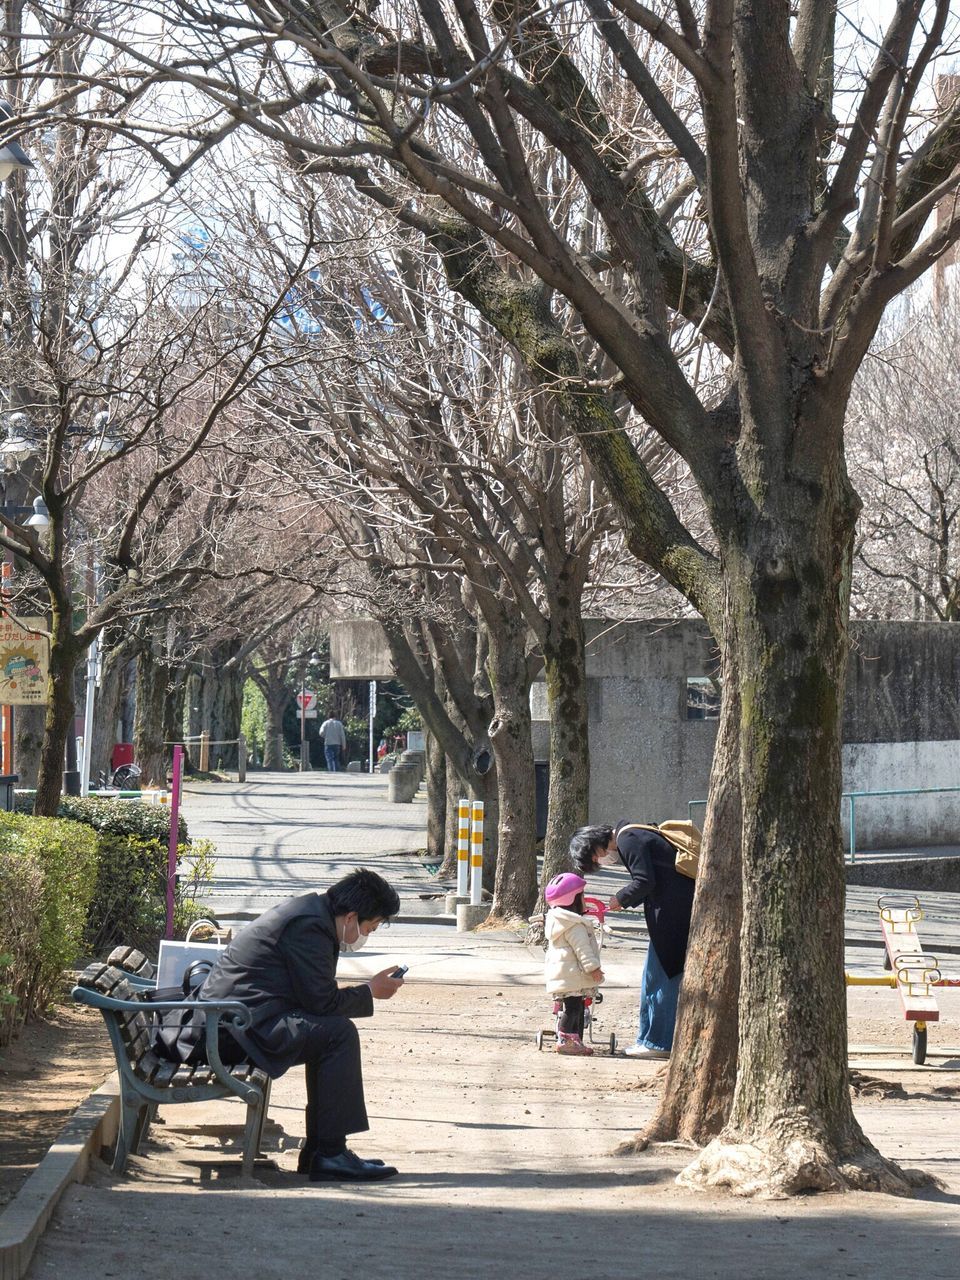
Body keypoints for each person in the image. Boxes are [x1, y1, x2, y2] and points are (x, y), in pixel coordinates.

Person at [199, 868, 405, 1181]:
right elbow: (320, 1002)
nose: (368, 935)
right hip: (232, 1031)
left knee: (328, 1033)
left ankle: (323, 1151)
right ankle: (330, 1153)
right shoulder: (309, 926)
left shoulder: (313, 915)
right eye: (371, 927)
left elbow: (315, 998)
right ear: (351, 917)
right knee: (338, 1035)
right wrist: (370, 992)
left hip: (235, 1020)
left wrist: (365, 992)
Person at [569, 822, 694, 1060]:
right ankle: (648, 1039)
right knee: (652, 977)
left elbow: (644, 881)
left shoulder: (628, 839)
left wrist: (621, 898)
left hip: (672, 916)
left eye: (594, 857)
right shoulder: (636, 832)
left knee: (661, 978)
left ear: (595, 844)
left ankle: (658, 1042)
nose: (600, 861)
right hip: (674, 912)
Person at [543, 872, 605, 1057]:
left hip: (563, 974)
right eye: (582, 896)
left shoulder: (557, 921)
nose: (585, 900)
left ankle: (575, 1039)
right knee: (574, 1008)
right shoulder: (575, 926)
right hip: (573, 975)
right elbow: (583, 950)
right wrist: (593, 969)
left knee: (574, 1006)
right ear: (574, 900)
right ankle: (565, 1039)